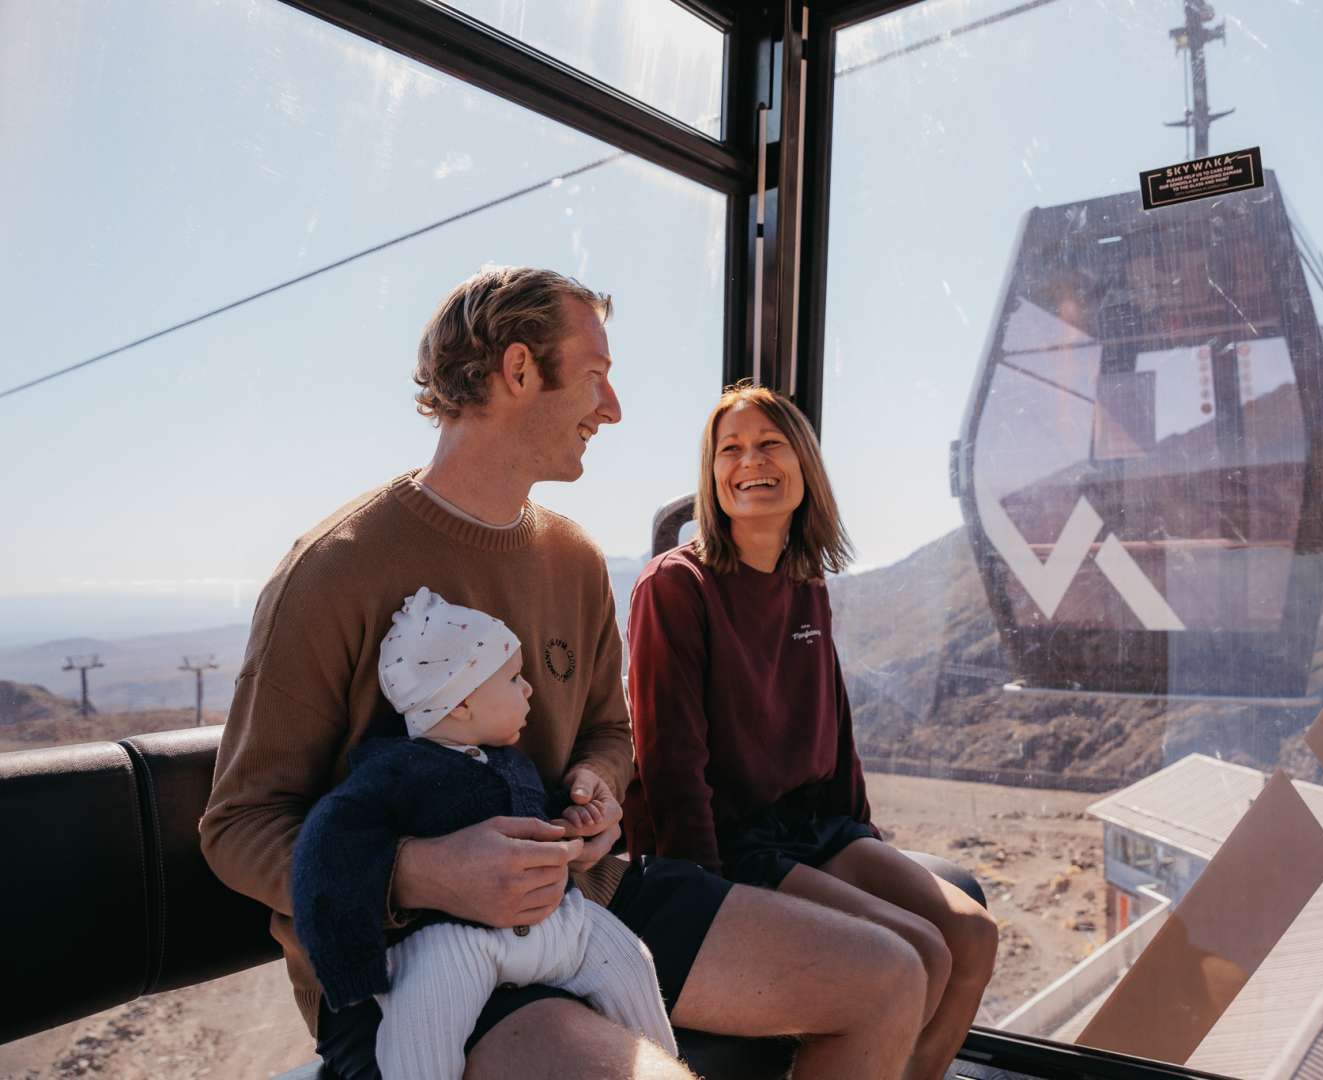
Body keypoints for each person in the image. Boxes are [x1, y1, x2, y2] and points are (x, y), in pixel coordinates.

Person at [200, 266, 930, 1080]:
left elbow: (608, 732)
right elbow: (238, 826)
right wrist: (421, 873)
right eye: (595, 376)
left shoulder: (574, 558)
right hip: (416, 959)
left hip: (587, 900)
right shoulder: (336, 568)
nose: (611, 408)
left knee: (890, 979)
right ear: (519, 370)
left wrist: (595, 785)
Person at [623, 382, 1000, 1080]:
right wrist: (707, 894)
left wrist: (865, 839)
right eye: (730, 449)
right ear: (711, 475)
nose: (750, 461)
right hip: (736, 843)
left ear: (804, 463)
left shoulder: (805, 583)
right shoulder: (675, 587)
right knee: (922, 951)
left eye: (769, 443)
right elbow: (670, 759)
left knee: (972, 934)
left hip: (813, 827)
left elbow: (834, 724)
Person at [292, 587, 677, 1079]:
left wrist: (571, 822)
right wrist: (351, 964)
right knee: (422, 1023)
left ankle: (666, 1060)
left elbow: (538, 816)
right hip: (453, 941)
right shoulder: (395, 771)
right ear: (461, 702)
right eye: (513, 678)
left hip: (560, 925)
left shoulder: (511, 763)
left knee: (629, 959)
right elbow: (326, 850)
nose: (529, 689)